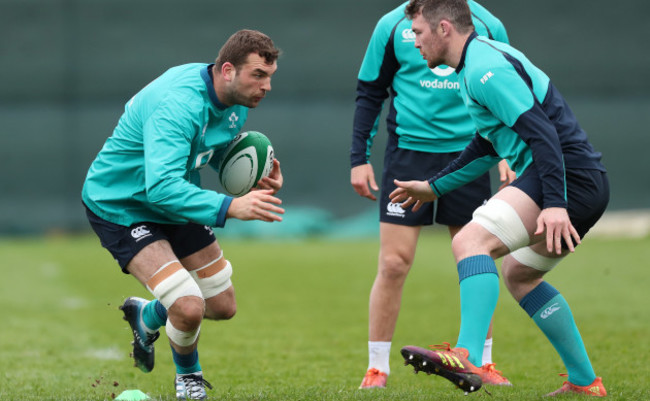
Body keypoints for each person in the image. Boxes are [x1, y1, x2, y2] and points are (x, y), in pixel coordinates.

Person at [392, 0, 609, 396]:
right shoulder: (474, 65)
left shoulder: (484, 70)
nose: (414, 43)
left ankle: (469, 355)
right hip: (575, 180)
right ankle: (584, 382)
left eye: (418, 33)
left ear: (444, 28)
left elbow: (543, 134)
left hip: (567, 179)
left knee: (470, 241)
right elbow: (488, 144)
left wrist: (557, 204)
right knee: (519, 276)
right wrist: (434, 187)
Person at [82, 29, 284, 400]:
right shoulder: (177, 104)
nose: (266, 86)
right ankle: (189, 378)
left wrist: (254, 172)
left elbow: (211, 149)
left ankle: (147, 316)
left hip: (176, 197)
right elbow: (159, 186)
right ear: (227, 70)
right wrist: (230, 206)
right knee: (189, 307)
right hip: (123, 203)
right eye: (258, 75)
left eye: (269, 76)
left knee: (222, 306)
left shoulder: (237, 100)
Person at [350, 0, 514, 389]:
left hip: (470, 156)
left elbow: (508, 89)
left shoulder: (487, 24)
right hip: (408, 157)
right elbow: (370, 91)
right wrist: (359, 157)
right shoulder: (392, 25)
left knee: (477, 257)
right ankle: (377, 368)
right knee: (393, 263)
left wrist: (508, 150)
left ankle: (483, 363)